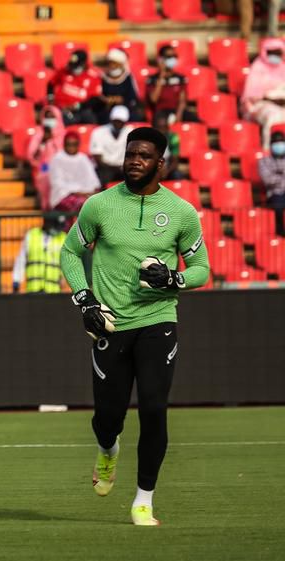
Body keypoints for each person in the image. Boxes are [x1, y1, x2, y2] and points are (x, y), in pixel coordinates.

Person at [59, 126, 210, 526]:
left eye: (144, 156)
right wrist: (85, 300)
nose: (134, 161)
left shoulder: (182, 212)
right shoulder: (99, 206)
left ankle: (143, 499)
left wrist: (174, 279)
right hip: (111, 324)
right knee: (107, 418)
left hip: (158, 321)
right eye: (130, 154)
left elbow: (201, 270)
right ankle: (108, 451)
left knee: (155, 408)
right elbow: (70, 253)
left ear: (161, 164)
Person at [242, 38, 285, 146]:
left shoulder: (283, 68)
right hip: (259, 106)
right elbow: (251, 96)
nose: (275, 55)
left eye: (278, 53)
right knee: (273, 116)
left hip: (282, 105)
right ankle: (267, 149)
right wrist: (270, 100)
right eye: (272, 52)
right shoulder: (257, 68)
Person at [11, 214, 67, 293]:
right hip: (33, 290)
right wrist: (16, 280)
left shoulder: (63, 238)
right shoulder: (32, 235)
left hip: (54, 291)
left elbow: (67, 261)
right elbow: (21, 259)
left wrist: (65, 277)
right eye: (56, 225)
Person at [48, 132, 100, 213]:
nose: (71, 147)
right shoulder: (57, 158)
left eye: (74, 144)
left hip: (85, 194)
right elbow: (57, 183)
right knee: (83, 204)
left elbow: (92, 180)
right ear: (64, 144)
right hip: (63, 195)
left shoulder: (83, 158)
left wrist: (91, 191)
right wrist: (77, 192)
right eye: (68, 144)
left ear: (78, 145)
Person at [50, 49, 102, 125]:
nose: (73, 68)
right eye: (72, 65)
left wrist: (77, 106)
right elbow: (51, 83)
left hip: (82, 109)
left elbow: (94, 99)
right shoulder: (64, 71)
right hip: (61, 109)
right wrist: (51, 97)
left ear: (83, 64)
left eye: (76, 66)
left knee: (90, 119)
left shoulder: (93, 76)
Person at [89, 104, 131, 187]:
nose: (118, 123)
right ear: (111, 119)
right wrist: (114, 168)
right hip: (105, 168)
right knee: (103, 175)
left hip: (123, 167)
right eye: (116, 120)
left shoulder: (130, 132)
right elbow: (98, 159)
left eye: (121, 121)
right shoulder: (99, 132)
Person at [146, 44, 188, 124]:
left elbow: (182, 101)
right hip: (161, 112)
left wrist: (178, 115)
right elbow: (154, 99)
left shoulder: (181, 79)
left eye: (174, 56)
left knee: (196, 121)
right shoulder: (152, 79)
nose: (172, 59)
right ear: (161, 59)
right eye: (169, 56)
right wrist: (161, 76)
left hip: (176, 110)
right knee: (161, 122)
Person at [100, 48, 142, 122]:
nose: (112, 66)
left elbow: (133, 97)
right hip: (108, 110)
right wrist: (106, 100)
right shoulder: (103, 78)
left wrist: (122, 100)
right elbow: (99, 94)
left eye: (115, 63)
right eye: (110, 63)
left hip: (126, 108)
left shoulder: (128, 78)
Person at [258, 130, 285, 236]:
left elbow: (273, 179)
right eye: (276, 142)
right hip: (275, 194)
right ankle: (280, 232)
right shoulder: (264, 161)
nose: (279, 145)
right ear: (271, 145)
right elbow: (268, 180)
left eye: (281, 142)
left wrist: (277, 176)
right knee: (278, 205)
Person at [152, 111, 182, 180]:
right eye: (159, 128)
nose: (162, 131)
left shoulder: (172, 138)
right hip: (152, 170)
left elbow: (175, 161)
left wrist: (166, 172)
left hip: (166, 169)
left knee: (177, 175)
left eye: (164, 127)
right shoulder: (148, 140)